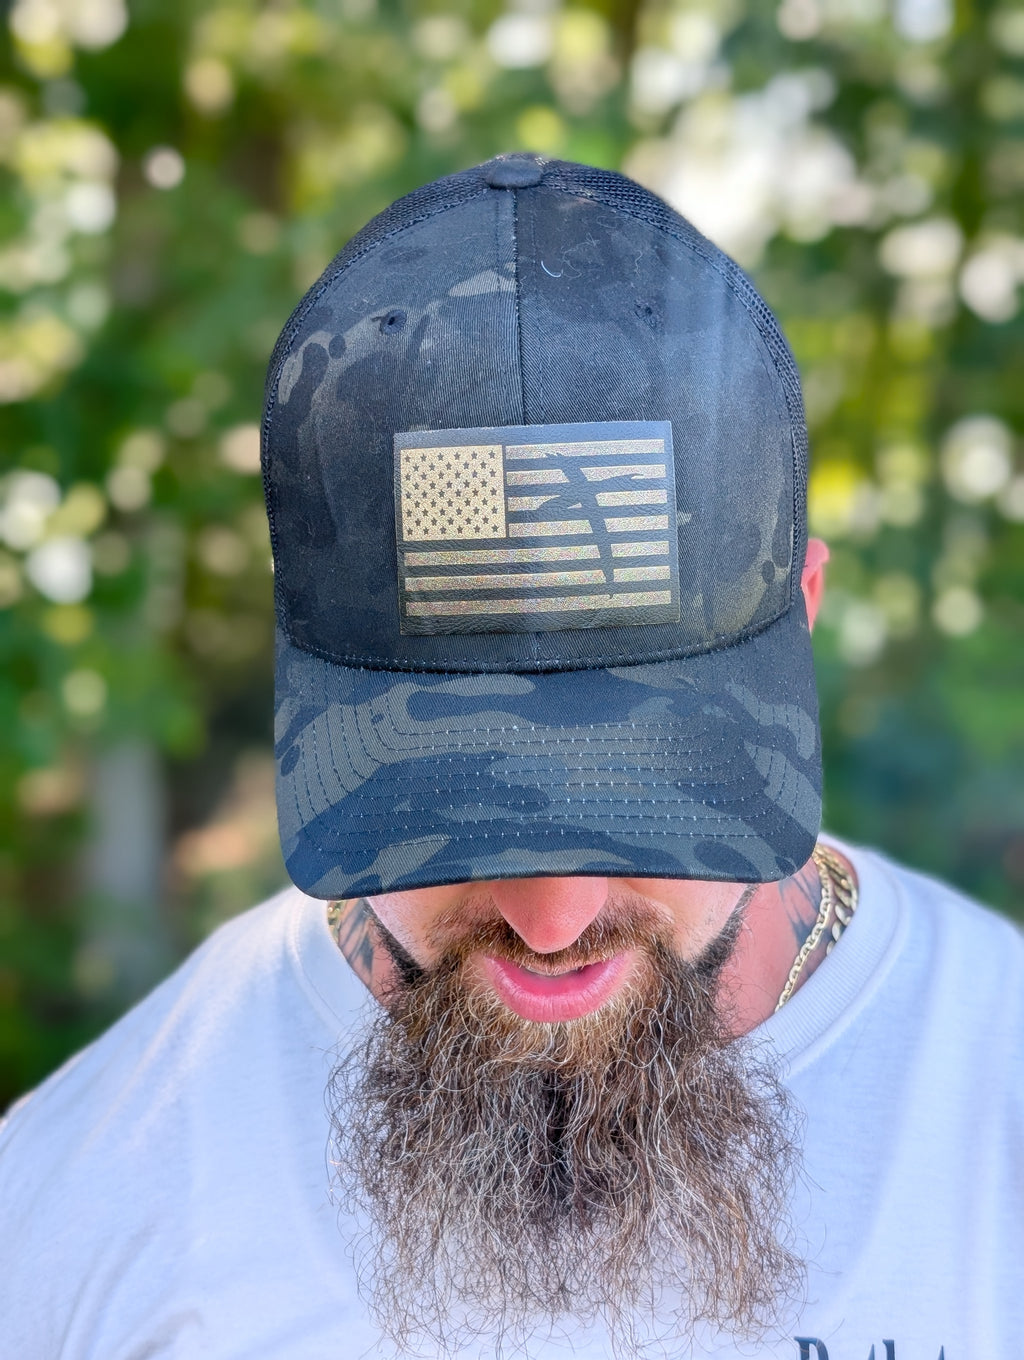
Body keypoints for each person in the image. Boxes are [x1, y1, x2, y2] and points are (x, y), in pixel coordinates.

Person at [1, 153, 1020, 1360]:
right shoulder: (74, 1210)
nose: (550, 919)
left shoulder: (992, 1114)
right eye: (449, 804)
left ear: (801, 606)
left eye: (647, 794)